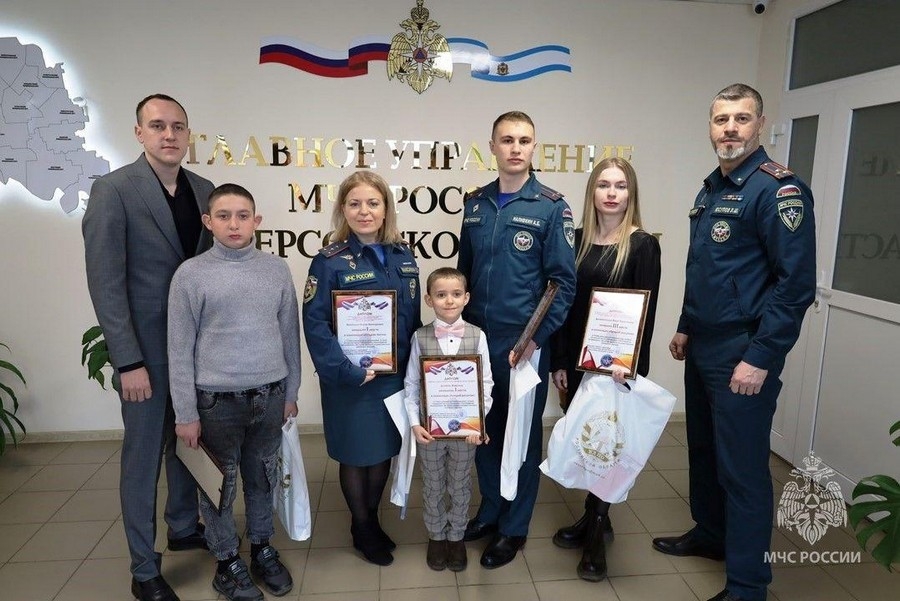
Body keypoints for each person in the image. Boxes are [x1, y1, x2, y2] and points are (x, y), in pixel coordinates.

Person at [653, 84, 816, 601]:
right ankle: (711, 534)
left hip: (742, 351)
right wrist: (685, 324)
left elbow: (795, 287)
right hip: (703, 343)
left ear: (759, 125)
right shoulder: (712, 189)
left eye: (741, 119)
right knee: (704, 451)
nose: (730, 128)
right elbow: (703, 269)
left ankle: (748, 586)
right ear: (710, 126)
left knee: (743, 471)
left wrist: (760, 357)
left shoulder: (778, 191)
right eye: (721, 119)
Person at [83, 94, 212, 601]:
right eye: (158, 125)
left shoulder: (204, 191)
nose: (169, 134)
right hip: (146, 354)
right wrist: (128, 360)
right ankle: (143, 568)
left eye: (178, 126)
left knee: (187, 442)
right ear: (139, 133)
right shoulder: (113, 190)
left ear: (188, 134)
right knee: (142, 460)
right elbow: (106, 282)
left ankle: (183, 526)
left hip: (196, 351)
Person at [168, 184, 300, 601]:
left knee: (262, 479)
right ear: (208, 222)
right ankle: (226, 562)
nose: (234, 224)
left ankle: (262, 548)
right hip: (215, 403)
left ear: (256, 221)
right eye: (223, 216)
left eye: (243, 215)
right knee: (219, 488)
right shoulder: (190, 275)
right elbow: (178, 348)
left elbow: (289, 335)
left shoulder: (276, 269)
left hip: (270, 395)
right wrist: (185, 413)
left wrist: (291, 391)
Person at [457, 110, 576, 569]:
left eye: (524, 140)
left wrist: (535, 339)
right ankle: (491, 509)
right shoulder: (476, 204)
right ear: (492, 146)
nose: (515, 148)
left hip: (523, 343)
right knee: (484, 430)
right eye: (507, 139)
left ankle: (514, 526)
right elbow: (463, 276)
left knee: (521, 436)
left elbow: (562, 283)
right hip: (478, 340)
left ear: (533, 147)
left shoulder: (551, 207)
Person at [549, 157, 661, 581]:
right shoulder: (575, 240)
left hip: (615, 368)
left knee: (608, 447)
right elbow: (564, 306)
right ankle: (591, 515)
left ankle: (596, 533)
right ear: (592, 192)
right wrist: (560, 360)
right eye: (603, 185)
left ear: (631, 193)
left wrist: (628, 366)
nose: (612, 193)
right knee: (585, 441)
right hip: (578, 363)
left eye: (620, 185)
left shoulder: (642, 244)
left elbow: (645, 312)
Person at [302, 171, 422, 566]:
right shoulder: (328, 261)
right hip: (350, 380)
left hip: (393, 378)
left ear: (386, 208)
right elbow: (315, 324)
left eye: (373, 203)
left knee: (383, 451)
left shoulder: (404, 256)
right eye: (354, 203)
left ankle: (369, 519)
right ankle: (363, 526)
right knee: (356, 455)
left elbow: (412, 320)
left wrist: (419, 368)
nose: (364, 211)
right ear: (343, 209)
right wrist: (346, 371)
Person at [403, 267, 494, 572]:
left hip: (466, 432)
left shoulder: (478, 336)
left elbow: (486, 384)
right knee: (432, 484)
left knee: (460, 484)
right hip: (430, 430)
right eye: (441, 295)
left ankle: (456, 536)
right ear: (429, 299)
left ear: (466, 298)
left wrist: (478, 423)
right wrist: (415, 423)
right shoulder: (420, 337)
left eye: (456, 294)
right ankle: (436, 535)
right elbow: (411, 384)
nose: (449, 301)